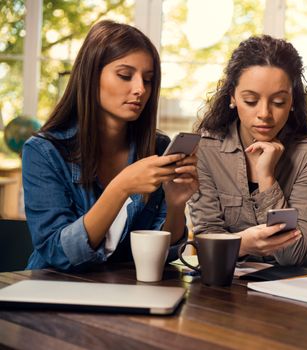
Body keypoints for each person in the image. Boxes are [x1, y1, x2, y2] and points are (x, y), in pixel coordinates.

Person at [22, 20, 198, 271]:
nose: (140, 89)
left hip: (129, 293)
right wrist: (121, 187)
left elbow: (165, 255)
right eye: (125, 75)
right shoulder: (42, 152)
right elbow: (56, 252)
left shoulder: (157, 147)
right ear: (91, 76)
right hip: (55, 288)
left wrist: (177, 204)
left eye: (148, 80)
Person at [189, 35, 307, 271]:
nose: (264, 113)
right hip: (231, 283)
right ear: (233, 96)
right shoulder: (206, 149)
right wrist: (243, 244)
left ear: (293, 100)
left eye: (278, 102)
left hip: (302, 284)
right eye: (251, 100)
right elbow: (207, 244)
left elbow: (293, 254)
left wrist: (266, 178)